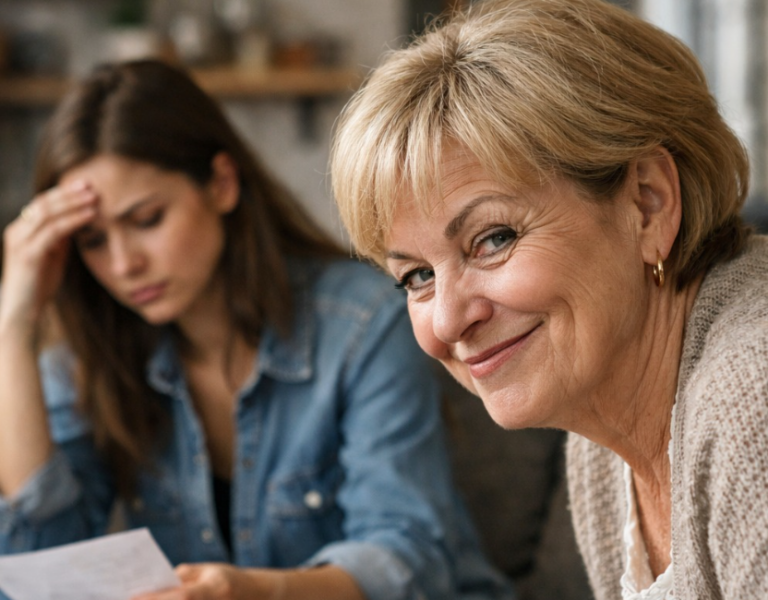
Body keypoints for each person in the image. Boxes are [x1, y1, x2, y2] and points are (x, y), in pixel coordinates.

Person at [0, 59, 515, 600]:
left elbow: (408, 557)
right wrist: (13, 323)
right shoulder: (93, 358)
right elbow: (39, 561)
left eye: (147, 220)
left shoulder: (361, 324)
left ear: (221, 184)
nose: (124, 264)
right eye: (93, 242)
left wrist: (255, 591)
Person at [329, 0, 768, 598]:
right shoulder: (600, 434)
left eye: (493, 239)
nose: (449, 321)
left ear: (648, 202)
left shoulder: (752, 401)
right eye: (417, 277)